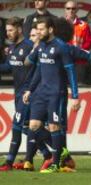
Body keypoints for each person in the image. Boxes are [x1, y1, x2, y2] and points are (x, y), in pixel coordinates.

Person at [22, 17, 80, 173]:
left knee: (54, 126)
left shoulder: (61, 47)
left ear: (50, 29)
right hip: (41, 93)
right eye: (37, 29)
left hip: (56, 93)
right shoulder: (41, 46)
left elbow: (71, 71)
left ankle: (56, 163)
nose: (38, 32)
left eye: (41, 29)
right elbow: (38, 70)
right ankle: (61, 152)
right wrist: (30, 89)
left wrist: (75, 95)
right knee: (33, 126)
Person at [0, 17, 52, 172]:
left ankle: (8, 162)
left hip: (29, 94)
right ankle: (48, 154)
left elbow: (39, 68)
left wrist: (33, 89)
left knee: (17, 126)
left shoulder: (30, 46)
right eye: (7, 30)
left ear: (19, 29)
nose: (8, 33)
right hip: (18, 94)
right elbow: (9, 67)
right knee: (27, 128)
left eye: (11, 30)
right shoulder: (13, 48)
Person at [64, 0, 91, 85]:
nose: (71, 10)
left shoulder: (84, 25)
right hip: (64, 60)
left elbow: (89, 42)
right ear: (65, 9)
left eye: (73, 8)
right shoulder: (59, 24)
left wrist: (77, 52)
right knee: (64, 87)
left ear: (77, 10)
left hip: (79, 61)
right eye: (68, 8)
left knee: (79, 86)